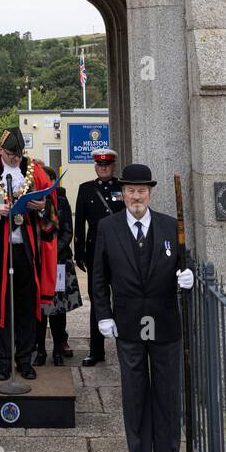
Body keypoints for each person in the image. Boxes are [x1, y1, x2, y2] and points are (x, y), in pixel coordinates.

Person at [90, 163, 194, 452]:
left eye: (142, 190)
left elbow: (184, 261)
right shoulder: (109, 227)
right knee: (135, 395)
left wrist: (188, 275)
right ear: (122, 194)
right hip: (128, 323)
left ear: (149, 193)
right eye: (131, 191)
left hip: (164, 322)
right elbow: (99, 277)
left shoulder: (168, 225)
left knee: (166, 394)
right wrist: (104, 315)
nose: (136, 196)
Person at [0, 126, 57, 381]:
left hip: (27, 250)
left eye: (18, 154)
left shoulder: (35, 169)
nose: (15, 159)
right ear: (0, 150)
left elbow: (52, 206)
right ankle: (4, 361)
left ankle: (25, 360)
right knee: (2, 307)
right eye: (10, 154)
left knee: (27, 306)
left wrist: (42, 207)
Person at [74, 148, 124, 366]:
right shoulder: (86, 189)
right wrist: (79, 253)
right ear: (95, 166)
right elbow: (80, 223)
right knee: (97, 300)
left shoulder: (122, 188)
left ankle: (126, 346)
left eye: (107, 165)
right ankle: (96, 350)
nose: (103, 168)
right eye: (100, 165)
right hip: (95, 251)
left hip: (120, 250)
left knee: (123, 298)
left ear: (112, 167)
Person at [35, 167, 80, 366]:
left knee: (58, 310)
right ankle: (40, 351)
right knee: (40, 310)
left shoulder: (61, 201)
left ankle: (58, 351)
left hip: (59, 262)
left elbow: (67, 232)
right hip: (38, 263)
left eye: (50, 179)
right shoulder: (32, 202)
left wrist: (52, 253)